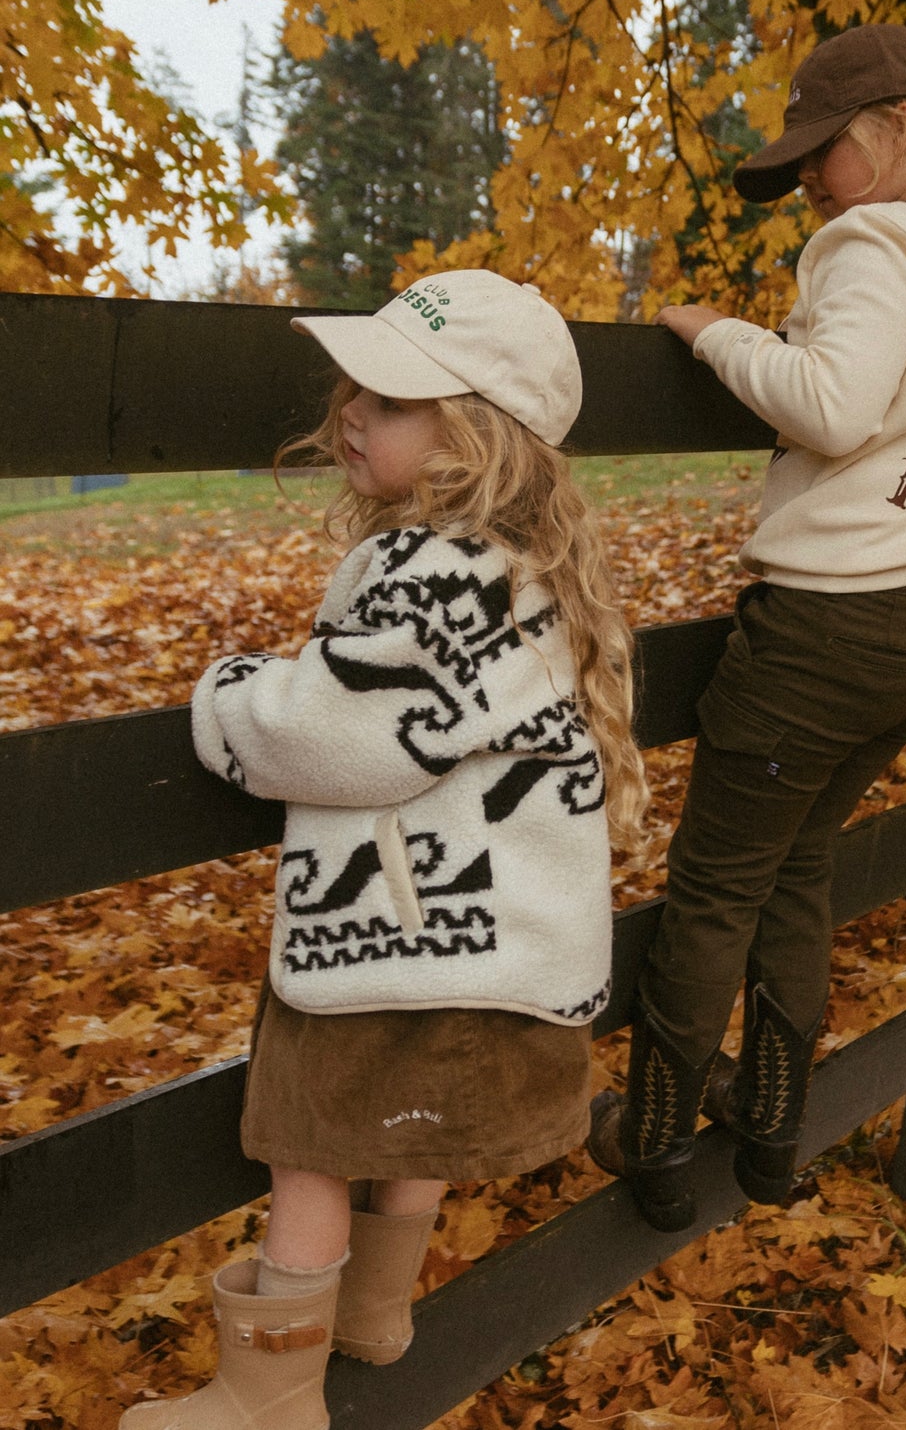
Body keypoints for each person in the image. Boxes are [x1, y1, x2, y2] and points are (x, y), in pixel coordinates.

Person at [122, 271, 646, 1428]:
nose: (352, 412)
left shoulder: (433, 568)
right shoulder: (527, 567)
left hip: (398, 941)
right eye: (354, 388)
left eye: (393, 400)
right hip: (491, 943)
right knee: (410, 1135)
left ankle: (267, 1401)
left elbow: (346, 734)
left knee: (311, 1150)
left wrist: (231, 695)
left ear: (479, 438)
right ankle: (371, 1318)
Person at [587, 22, 906, 1231]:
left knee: (714, 884)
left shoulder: (876, 236)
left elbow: (832, 408)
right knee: (795, 868)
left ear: (892, 131)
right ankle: (775, 1130)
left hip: (830, 631)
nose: (807, 189)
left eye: (820, 155)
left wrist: (708, 329)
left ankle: (658, 1145)